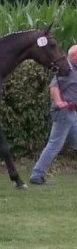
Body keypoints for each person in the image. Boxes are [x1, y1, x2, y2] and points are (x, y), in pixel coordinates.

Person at [30, 44, 77, 185]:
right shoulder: (66, 69)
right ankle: (37, 175)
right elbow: (54, 86)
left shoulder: (73, 69)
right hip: (64, 112)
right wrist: (59, 102)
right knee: (54, 145)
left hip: (71, 112)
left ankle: (37, 174)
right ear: (75, 56)